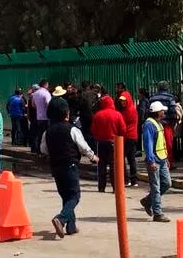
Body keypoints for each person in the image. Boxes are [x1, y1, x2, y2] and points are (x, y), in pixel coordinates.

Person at [41, 98, 98, 238]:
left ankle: (71, 226)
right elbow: (83, 146)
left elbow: (43, 149)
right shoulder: (72, 129)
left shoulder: (47, 132)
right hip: (70, 166)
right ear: (66, 113)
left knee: (66, 196)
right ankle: (60, 219)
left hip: (55, 167)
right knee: (74, 196)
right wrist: (93, 157)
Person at [140, 101, 172, 222]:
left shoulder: (158, 123)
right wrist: (151, 160)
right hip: (155, 160)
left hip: (162, 158)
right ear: (157, 112)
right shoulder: (149, 124)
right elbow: (148, 144)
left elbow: (161, 143)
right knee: (156, 186)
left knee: (167, 183)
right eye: (162, 110)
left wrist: (166, 158)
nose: (164, 112)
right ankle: (157, 213)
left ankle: (147, 201)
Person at [90, 95, 127, 192]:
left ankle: (101, 187)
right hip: (113, 142)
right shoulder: (117, 115)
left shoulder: (98, 115)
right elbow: (123, 130)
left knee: (101, 165)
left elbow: (93, 130)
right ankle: (115, 187)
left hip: (101, 142)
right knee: (113, 165)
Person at [116, 90, 140, 187]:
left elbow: (123, 124)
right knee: (131, 158)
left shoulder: (128, 111)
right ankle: (133, 180)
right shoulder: (130, 109)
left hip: (128, 137)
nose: (122, 102)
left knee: (122, 157)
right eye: (121, 101)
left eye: (124, 100)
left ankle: (125, 179)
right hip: (132, 136)